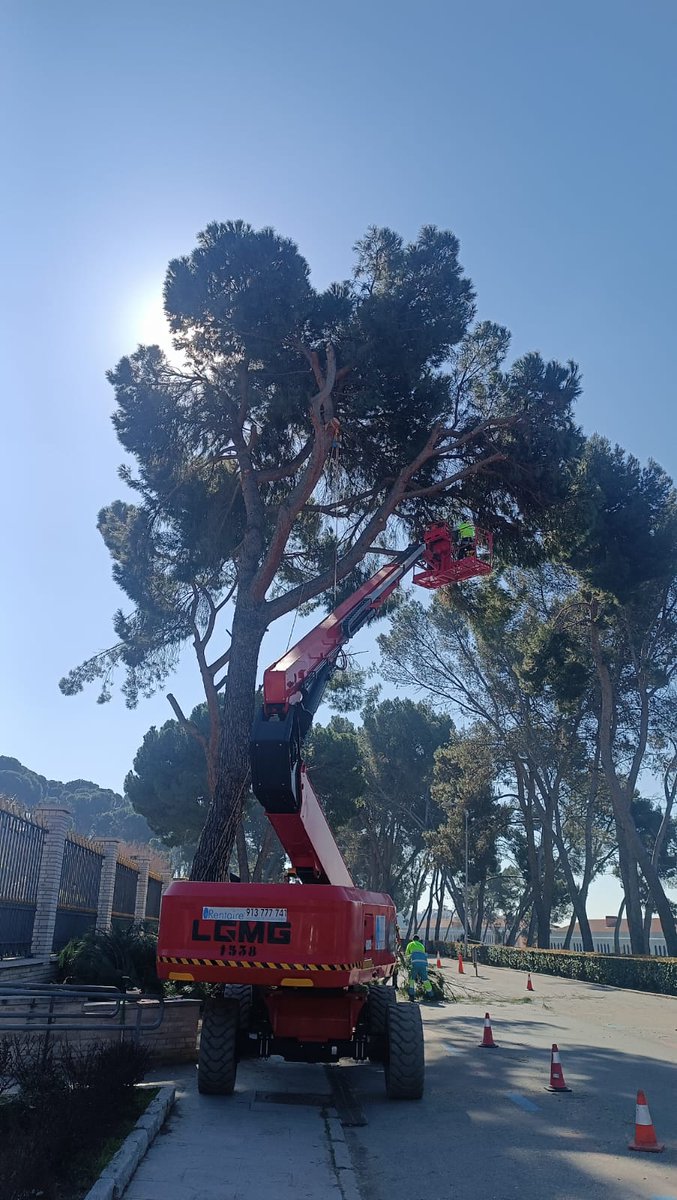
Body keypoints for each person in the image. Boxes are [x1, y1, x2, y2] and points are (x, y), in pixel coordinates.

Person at [405, 934, 433, 1000]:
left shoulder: (410, 944)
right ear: (418, 940)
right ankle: (431, 995)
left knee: (412, 979)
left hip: (414, 964)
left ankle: (411, 996)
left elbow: (407, 955)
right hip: (423, 964)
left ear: (413, 939)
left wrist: (407, 963)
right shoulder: (422, 946)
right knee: (425, 980)